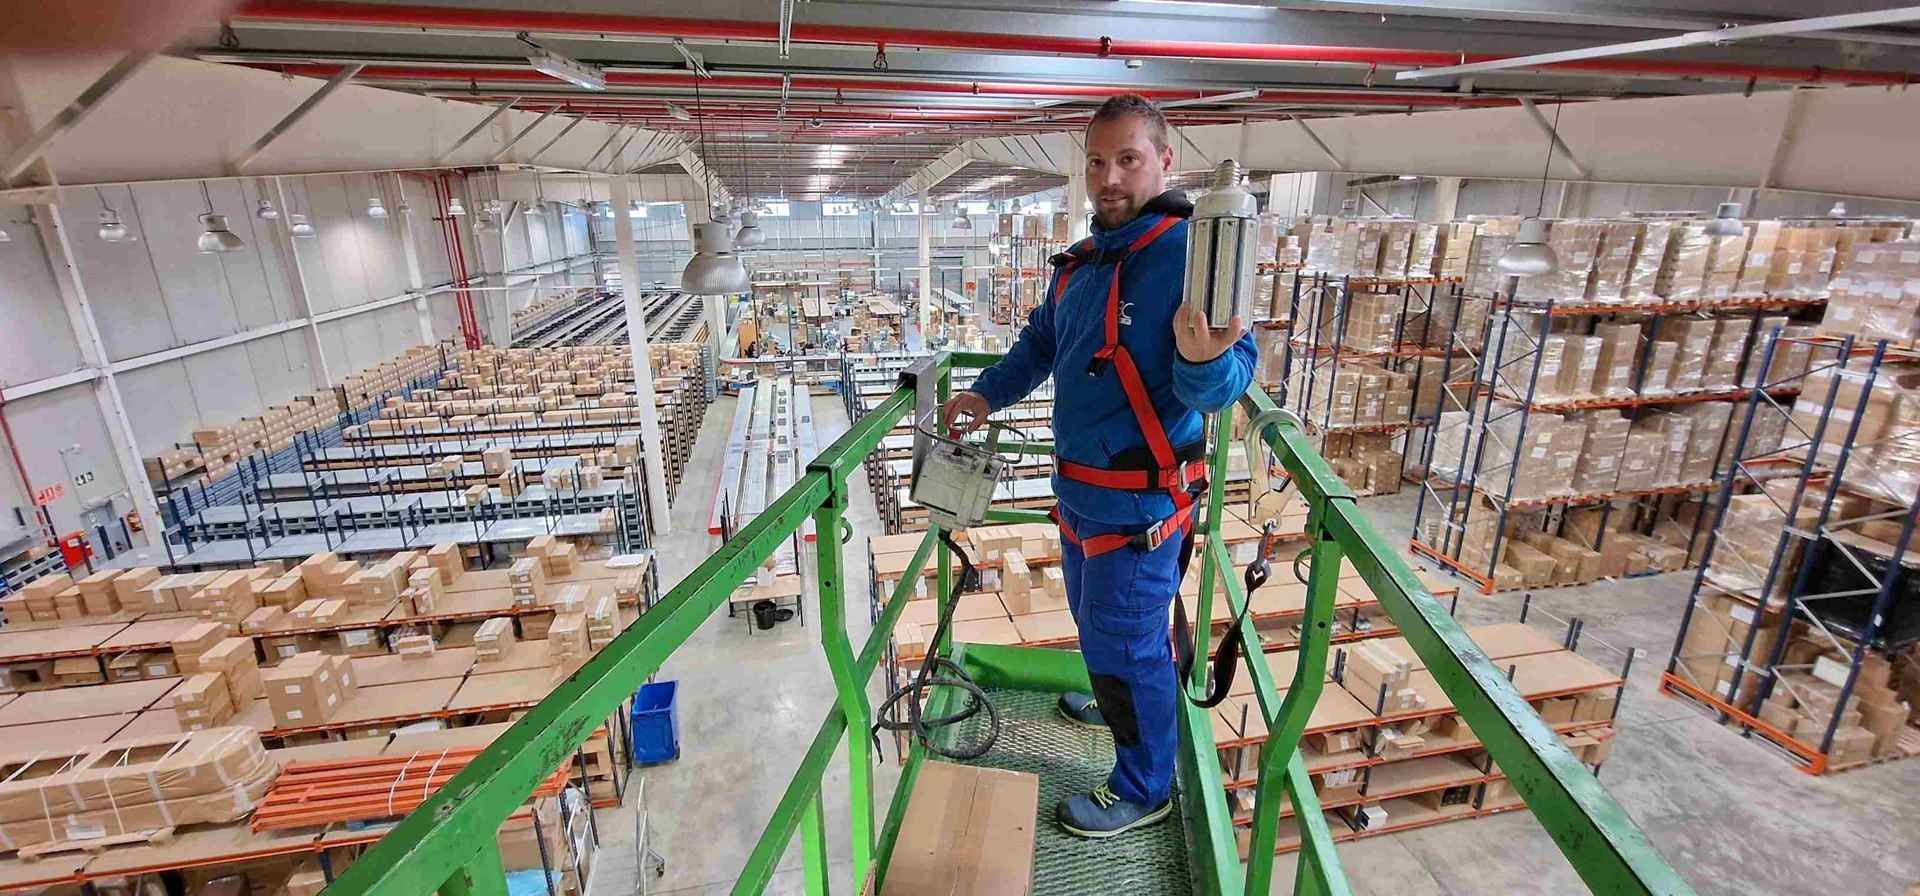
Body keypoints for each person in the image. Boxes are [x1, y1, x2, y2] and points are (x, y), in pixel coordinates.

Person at [942, 94, 1255, 839]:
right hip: (1082, 499)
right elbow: (1040, 346)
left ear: (1165, 161)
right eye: (1096, 161)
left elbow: (1224, 377)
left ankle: (1145, 787)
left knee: (1124, 643)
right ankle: (1121, 699)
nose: (1108, 177)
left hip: (1140, 510)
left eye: (1128, 159)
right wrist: (986, 395)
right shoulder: (1081, 265)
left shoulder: (1190, 254)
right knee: (1101, 633)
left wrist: (1205, 358)